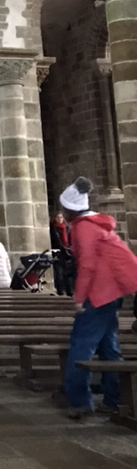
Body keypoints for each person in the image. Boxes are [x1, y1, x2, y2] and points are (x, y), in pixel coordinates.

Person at [59, 177, 137, 418]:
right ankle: (116, 399)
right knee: (109, 347)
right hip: (112, 292)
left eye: (63, 208)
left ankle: (80, 401)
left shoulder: (83, 228)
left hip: (98, 294)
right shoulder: (95, 224)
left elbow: (88, 265)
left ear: (70, 209)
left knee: (81, 345)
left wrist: (79, 298)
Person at [49, 211, 74, 297]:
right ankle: (61, 291)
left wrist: (70, 248)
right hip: (58, 253)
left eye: (61, 217)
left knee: (68, 273)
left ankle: (69, 291)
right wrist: (63, 248)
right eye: (58, 217)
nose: (60, 219)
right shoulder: (53, 228)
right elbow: (56, 240)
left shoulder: (66, 228)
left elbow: (70, 239)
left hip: (67, 254)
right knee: (59, 273)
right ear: (55, 219)